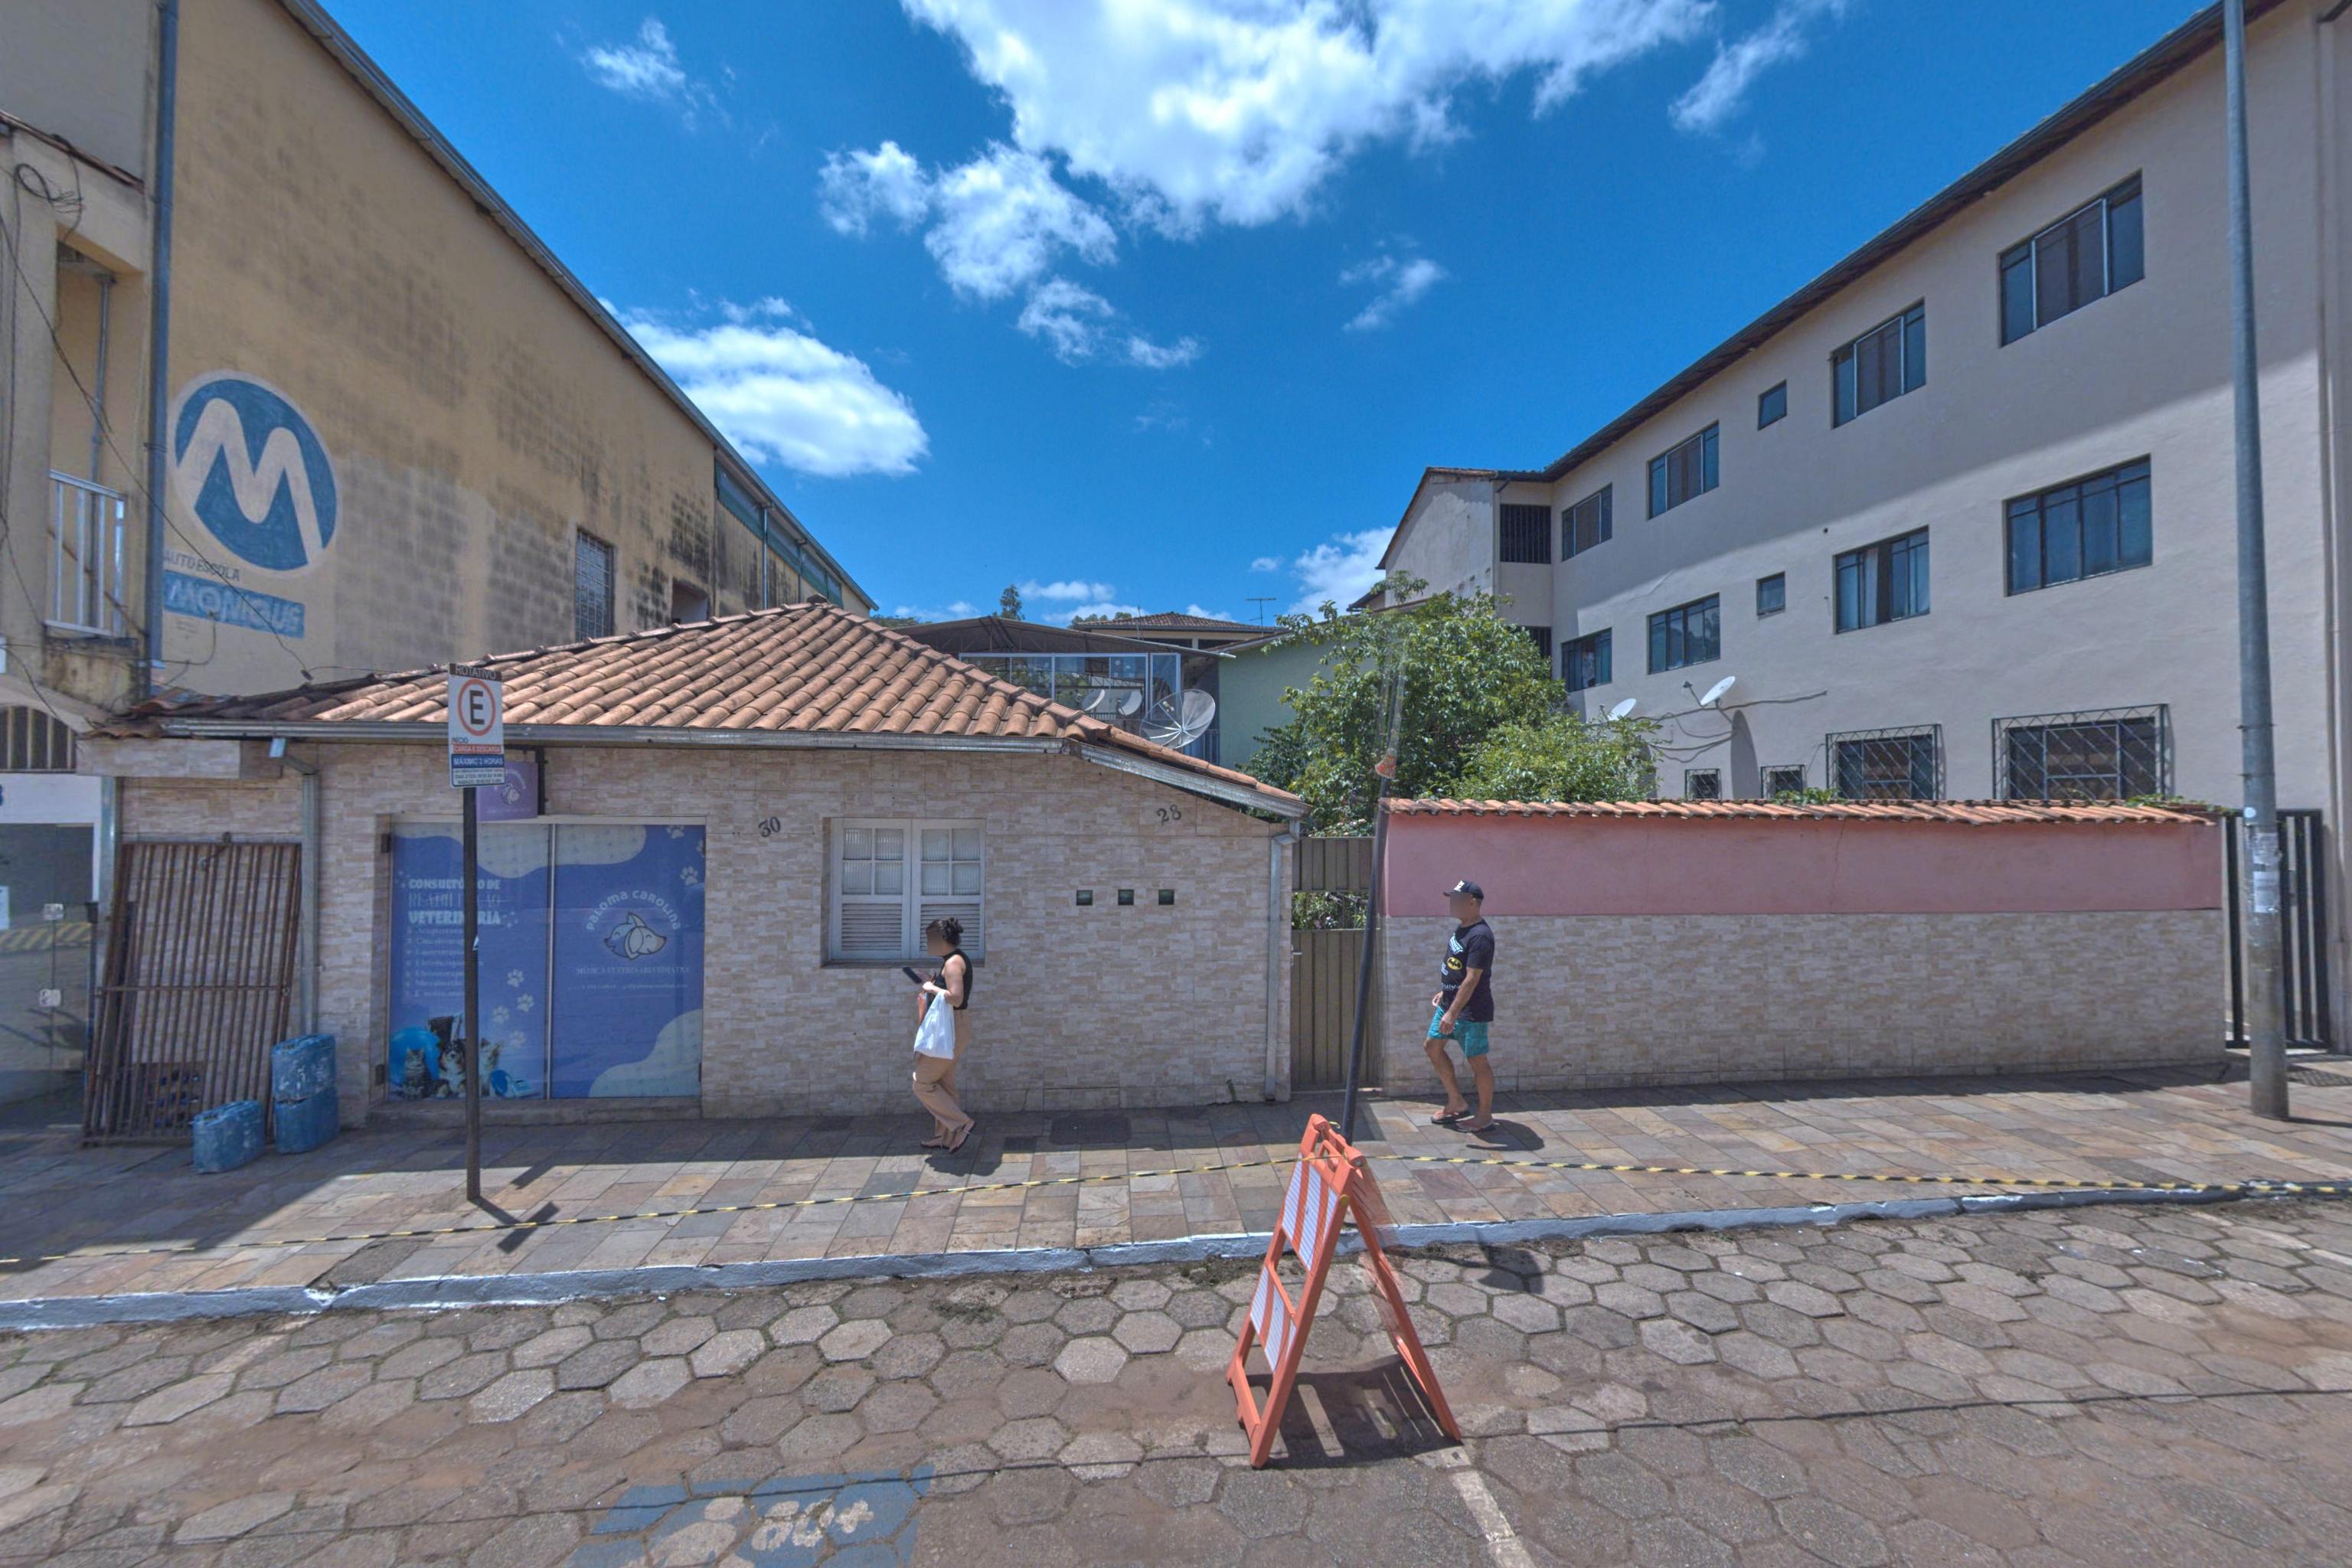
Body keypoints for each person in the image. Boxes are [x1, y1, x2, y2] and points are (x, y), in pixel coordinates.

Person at [1426, 879, 1497, 1133]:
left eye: (1457, 899)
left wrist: (1453, 1013)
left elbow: (1472, 978)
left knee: (1477, 1061)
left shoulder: (1481, 936)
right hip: (1449, 1003)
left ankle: (1485, 1116)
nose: (1452, 904)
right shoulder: (1462, 929)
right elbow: (1457, 970)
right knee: (1433, 1046)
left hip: (1469, 1010)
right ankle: (1457, 1102)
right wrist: (1445, 992)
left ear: (1472, 902)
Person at [912, 917, 976, 1153]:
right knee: (944, 1083)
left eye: (930, 939)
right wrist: (931, 982)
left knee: (922, 1082)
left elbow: (956, 998)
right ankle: (946, 1138)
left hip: (952, 1027)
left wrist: (932, 988)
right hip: (953, 1026)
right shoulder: (952, 960)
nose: (927, 944)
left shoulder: (953, 963)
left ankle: (962, 1123)